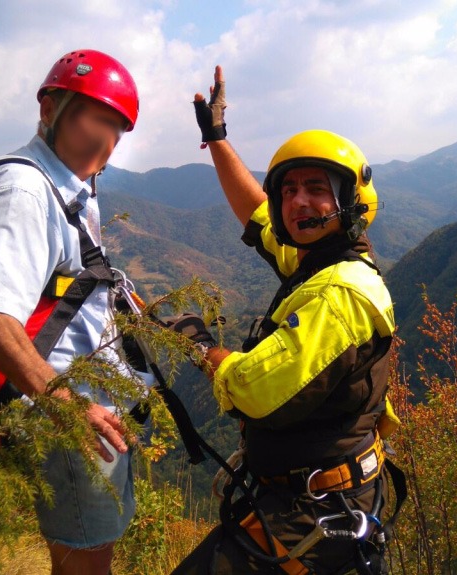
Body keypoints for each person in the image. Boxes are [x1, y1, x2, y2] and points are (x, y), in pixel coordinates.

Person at [166, 66, 404, 575]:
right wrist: (217, 139)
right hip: (314, 494)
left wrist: (200, 343)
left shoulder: (341, 293)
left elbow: (254, 389)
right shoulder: (320, 257)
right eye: (288, 190)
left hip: (318, 509)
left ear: (350, 201)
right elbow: (256, 214)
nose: (298, 201)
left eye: (315, 187)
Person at [0, 49, 147, 575]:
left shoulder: (68, 188)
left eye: (118, 127)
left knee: (91, 553)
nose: (108, 139)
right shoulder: (24, 189)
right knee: (85, 563)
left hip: (88, 409)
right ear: (50, 109)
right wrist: (64, 405)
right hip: (67, 418)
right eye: (97, 118)